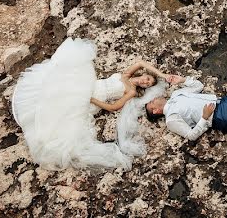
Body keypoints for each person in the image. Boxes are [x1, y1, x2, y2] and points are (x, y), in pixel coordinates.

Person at [10, 37, 171, 170]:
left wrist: (91, 99)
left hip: (93, 99)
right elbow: (141, 63)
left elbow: (113, 107)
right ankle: (35, 112)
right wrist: (160, 73)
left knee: (64, 111)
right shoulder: (126, 75)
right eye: (148, 79)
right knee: (58, 88)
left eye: (148, 84)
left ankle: (40, 121)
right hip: (90, 85)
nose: (145, 81)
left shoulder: (131, 91)